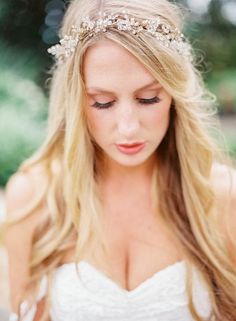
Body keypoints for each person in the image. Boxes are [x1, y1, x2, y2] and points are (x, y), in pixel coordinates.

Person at [4, 0, 236, 320]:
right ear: (76, 101)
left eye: (148, 98)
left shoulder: (222, 196)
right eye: (102, 103)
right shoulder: (33, 198)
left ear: (174, 95)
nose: (128, 127)